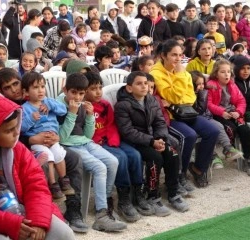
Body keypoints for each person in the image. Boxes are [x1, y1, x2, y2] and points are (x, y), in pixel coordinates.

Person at [0, 91, 76, 240]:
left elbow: (36, 185)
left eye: (16, 127)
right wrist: (9, 223)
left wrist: (38, 221)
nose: (16, 133)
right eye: (9, 130)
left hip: (25, 210)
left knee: (64, 234)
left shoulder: (18, 149)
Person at [0, 67, 89, 233]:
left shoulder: (43, 100)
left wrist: (56, 136)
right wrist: (31, 139)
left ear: (22, 82)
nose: (13, 89)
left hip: (51, 140)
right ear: (2, 91)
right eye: (7, 88)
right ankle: (48, 209)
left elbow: (61, 117)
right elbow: (14, 134)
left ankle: (73, 207)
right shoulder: (8, 107)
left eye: (15, 83)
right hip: (26, 149)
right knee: (43, 162)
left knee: (73, 158)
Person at [56, 72, 127, 232]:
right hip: (69, 145)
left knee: (113, 161)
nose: (78, 97)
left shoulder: (83, 104)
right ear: (65, 90)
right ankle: (102, 217)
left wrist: (89, 117)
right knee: (99, 167)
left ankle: (103, 205)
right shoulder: (59, 106)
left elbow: (88, 135)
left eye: (81, 93)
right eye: (74, 92)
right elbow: (61, 137)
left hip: (85, 142)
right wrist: (72, 114)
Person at [115, 71, 190, 216]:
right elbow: (128, 132)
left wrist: (160, 139)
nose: (144, 86)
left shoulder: (151, 100)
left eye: (145, 83)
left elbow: (160, 122)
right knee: (155, 158)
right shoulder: (123, 105)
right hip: (135, 142)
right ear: (129, 88)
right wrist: (151, 141)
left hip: (154, 139)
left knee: (172, 152)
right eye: (139, 83)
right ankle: (152, 195)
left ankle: (173, 192)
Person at [84, 72, 152, 222]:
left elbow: (111, 124)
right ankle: (123, 197)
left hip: (111, 139)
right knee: (120, 157)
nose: (98, 92)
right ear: (85, 90)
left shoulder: (105, 104)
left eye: (100, 87)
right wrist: (99, 141)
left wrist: (114, 140)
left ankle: (137, 192)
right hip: (96, 143)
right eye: (93, 88)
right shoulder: (84, 107)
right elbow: (84, 131)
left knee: (135, 155)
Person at [150, 39, 220, 188]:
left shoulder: (181, 71)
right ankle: (179, 175)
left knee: (213, 131)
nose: (178, 58)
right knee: (189, 136)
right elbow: (172, 96)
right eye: (174, 55)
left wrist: (176, 97)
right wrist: (180, 80)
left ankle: (198, 169)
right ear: (163, 55)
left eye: (180, 55)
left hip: (186, 112)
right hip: (169, 116)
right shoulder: (156, 73)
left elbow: (191, 97)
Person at [20, 71, 74, 200]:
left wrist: (50, 105)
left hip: (53, 139)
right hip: (37, 142)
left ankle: (64, 181)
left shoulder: (49, 102)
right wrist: (31, 119)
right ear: (26, 92)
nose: (40, 90)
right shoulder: (25, 108)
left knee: (58, 154)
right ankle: (53, 184)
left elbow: (63, 111)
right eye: (35, 87)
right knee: (48, 156)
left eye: (42, 86)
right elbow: (21, 128)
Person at [207, 58, 250, 174]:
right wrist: (221, 111)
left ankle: (249, 160)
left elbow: (241, 101)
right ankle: (228, 150)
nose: (226, 74)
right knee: (230, 129)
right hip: (219, 114)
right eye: (223, 72)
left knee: (244, 129)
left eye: (228, 71)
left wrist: (238, 112)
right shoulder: (211, 85)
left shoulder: (232, 85)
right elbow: (208, 104)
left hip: (233, 112)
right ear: (216, 74)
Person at [190, 70, 244, 171]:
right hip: (196, 119)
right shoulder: (191, 95)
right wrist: (201, 93)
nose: (201, 86)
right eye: (198, 84)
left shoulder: (204, 91)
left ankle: (228, 149)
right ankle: (213, 155)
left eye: (202, 84)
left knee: (219, 126)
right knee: (212, 130)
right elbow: (199, 109)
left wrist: (203, 91)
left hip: (207, 117)